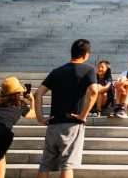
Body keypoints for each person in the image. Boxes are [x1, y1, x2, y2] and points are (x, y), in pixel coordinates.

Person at [33, 38, 100, 178]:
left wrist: (40, 117)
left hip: (53, 123)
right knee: (67, 165)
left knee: (45, 165)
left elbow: (38, 93)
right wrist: (83, 115)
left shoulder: (56, 71)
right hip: (72, 124)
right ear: (86, 54)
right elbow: (94, 91)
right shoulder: (88, 70)